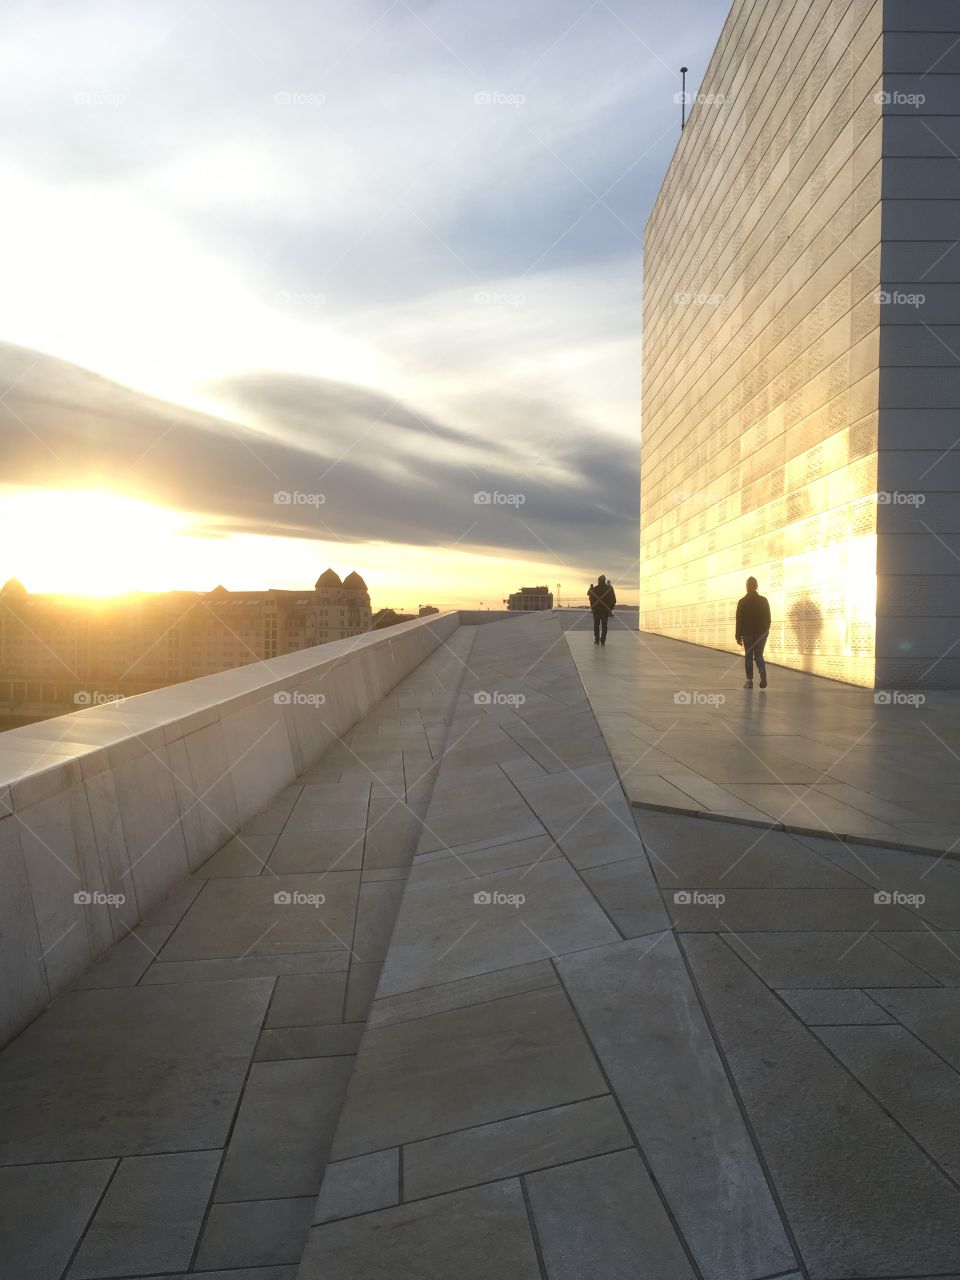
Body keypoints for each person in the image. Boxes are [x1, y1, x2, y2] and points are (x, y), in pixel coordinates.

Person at [735, 576, 771, 689]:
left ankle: (749, 681)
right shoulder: (763, 600)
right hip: (761, 633)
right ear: (756, 586)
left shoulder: (742, 602)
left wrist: (738, 636)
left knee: (749, 656)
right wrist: (766, 631)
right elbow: (768, 618)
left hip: (747, 633)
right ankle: (762, 674)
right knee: (759, 655)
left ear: (747, 587)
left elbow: (739, 620)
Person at [590, 575, 616, 646]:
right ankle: (603, 641)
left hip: (596, 610)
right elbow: (613, 600)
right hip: (605, 610)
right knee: (604, 625)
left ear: (599, 580)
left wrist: (593, 608)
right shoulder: (609, 589)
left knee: (596, 625)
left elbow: (591, 599)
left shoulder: (595, 589)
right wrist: (610, 608)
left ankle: (597, 640)